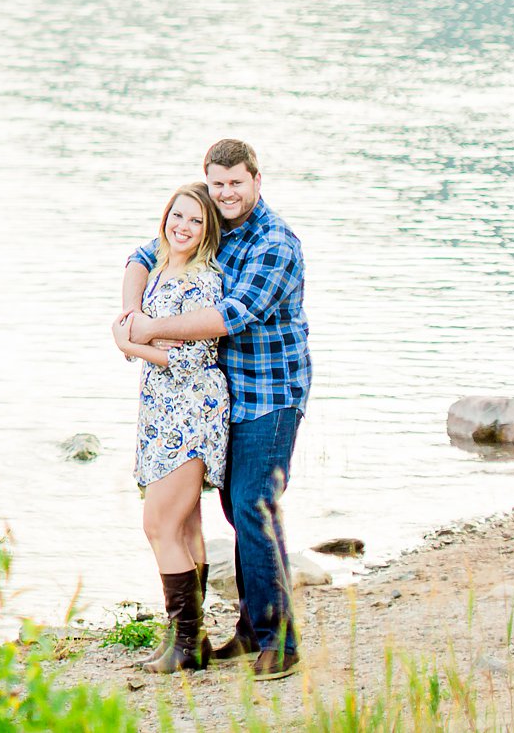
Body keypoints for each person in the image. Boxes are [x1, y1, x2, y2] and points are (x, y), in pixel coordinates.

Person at [121, 139, 311, 681]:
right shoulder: (213, 222)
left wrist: (147, 332)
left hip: (271, 394)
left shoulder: (276, 242)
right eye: (218, 183)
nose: (227, 193)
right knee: (234, 509)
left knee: (253, 505)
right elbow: (143, 253)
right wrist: (132, 310)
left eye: (236, 183)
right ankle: (249, 630)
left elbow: (232, 314)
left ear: (257, 180)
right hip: (222, 392)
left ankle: (282, 641)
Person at [111, 183, 229, 673]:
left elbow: (195, 359)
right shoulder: (163, 267)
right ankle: (191, 641)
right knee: (185, 524)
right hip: (163, 411)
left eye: (195, 221)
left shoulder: (201, 280)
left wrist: (133, 342)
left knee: (158, 523)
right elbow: (135, 264)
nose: (182, 226)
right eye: (176, 216)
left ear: (207, 232)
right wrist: (134, 329)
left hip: (191, 410)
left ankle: (185, 641)